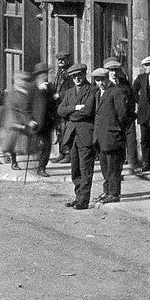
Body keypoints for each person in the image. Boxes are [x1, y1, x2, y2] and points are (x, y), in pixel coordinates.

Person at [57, 63, 97, 210]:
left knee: (85, 167)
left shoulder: (92, 90)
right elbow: (60, 110)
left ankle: (84, 199)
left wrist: (71, 114)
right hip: (72, 134)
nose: (77, 78)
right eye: (74, 76)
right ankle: (77, 196)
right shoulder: (69, 92)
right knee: (75, 168)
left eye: (79, 75)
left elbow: (87, 111)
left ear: (85, 74)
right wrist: (74, 108)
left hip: (86, 133)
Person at [94, 68, 132, 204]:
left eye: (103, 79)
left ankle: (114, 193)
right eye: (97, 80)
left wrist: (117, 129)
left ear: (107, 79)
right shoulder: (98, 93)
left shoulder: (116, 92)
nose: (101, 83)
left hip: (113, 135)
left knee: (114, 167)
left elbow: (123, 114)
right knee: (105, 167)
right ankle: (107, 191)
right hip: (101, 137)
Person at [0, 70, 36, 171]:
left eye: (26, 80)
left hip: (24, 120)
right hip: (14, 121)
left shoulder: (28, 93)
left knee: (22, 143)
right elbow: (13, 109)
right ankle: (13, 161)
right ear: (17, 81)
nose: (25, 83)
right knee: (12, 142)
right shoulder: (12, 94)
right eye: (23, 80)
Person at [133, 56, 150, 173]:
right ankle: (146, 164)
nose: (145, 67)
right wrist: (140, 101)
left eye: (147, 65)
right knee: (144, 139)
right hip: (144, 113)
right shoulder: (141, 78)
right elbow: (133, 91)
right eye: (144, 65)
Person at [31, 62, 56, 177]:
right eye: (41, 74)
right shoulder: (32, 89)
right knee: (37, 146)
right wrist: (29, 120)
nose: (44, 76)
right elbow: (27, 106)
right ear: (37, 76)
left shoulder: (50, 88)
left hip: (47, 122)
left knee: (46, 147)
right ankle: (36, 165)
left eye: (45, 74)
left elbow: (52, 105)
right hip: (36, 123)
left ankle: (41, 168)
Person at [52, 53, 75, 162]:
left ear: (68, 60)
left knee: (66, 130)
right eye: (59, 60)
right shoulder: (59, 73)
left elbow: (73, 90)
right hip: (58, 105)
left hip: (66, 104)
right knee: (59, 130)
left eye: (63, 59)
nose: (60, 61)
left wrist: (59, 95)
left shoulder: (71, 74)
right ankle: (61, 152)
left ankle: (68, 154)